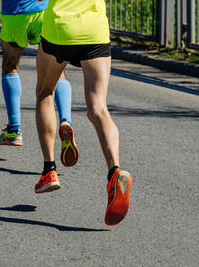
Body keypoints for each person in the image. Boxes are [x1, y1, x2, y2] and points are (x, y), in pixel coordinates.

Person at [34, 0, 132, 226]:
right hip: (94, 29)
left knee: (45, 92)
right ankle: (115, 171)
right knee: (98, 108)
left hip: (60, 29)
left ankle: (49, 170)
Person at [0, 0, 79, 167]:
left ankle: (14, 130)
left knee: (10, 66)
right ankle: (66, 121)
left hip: (16, 13)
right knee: (57, 72)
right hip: (44, 13)